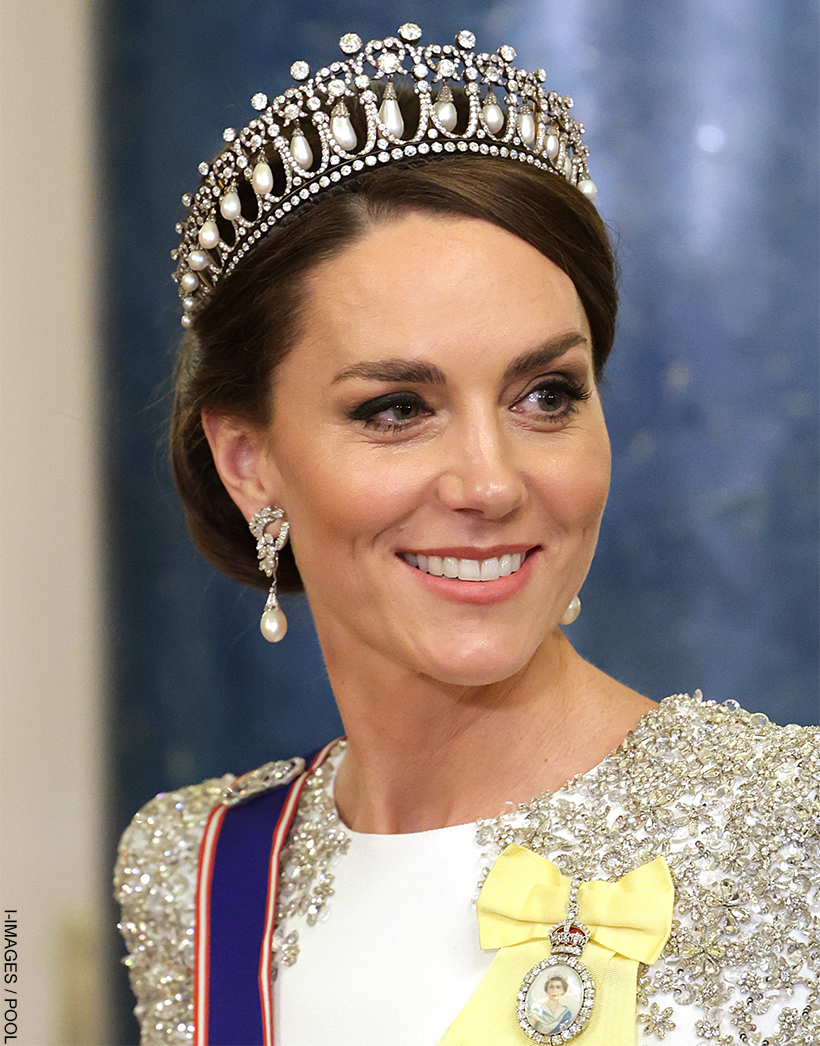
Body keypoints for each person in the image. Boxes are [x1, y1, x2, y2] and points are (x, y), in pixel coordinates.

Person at [114, 23, 819, 1046]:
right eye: (396, 407)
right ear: (247, 460)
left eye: (545, 394)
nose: (491, 482)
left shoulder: (793, 833)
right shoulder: (191, 870)